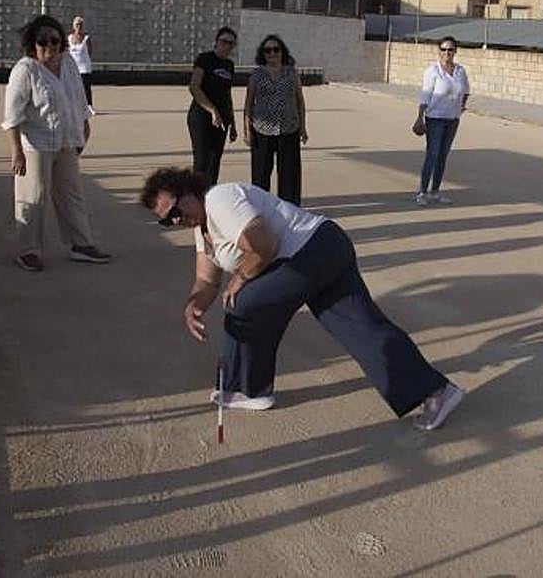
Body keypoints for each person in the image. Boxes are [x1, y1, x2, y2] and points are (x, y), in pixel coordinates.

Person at [140, 167, 465, 431]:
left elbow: (263, 246)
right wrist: (193, 305)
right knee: (360, 327)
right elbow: (206, 280)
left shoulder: (220, 199)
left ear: (189, 191)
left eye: (176, 210)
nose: (176, 220)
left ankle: (247, 389)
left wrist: (237, 280)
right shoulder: (203, 231)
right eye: (167, 220)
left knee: (245, 303)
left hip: (314, 250)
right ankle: (436, 391)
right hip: (323, 250)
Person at [2, 15, 111, 272]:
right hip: (36, 144)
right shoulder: (25, 70)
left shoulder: (69, 63)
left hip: (66, 141)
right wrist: (16, 152)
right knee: (34, 196)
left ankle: (81, 245)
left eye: (55, 40)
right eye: (42, 41)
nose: (49, 46)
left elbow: (78, 98)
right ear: (32, 43)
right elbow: (11, 116)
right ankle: (28, 250)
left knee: (71, 193)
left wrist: (84, 125)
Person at [244, 34, 307, 205]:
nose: (272, 53)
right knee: (260, 174)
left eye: (276, 49)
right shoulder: (256, 75)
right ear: (263, 54)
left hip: (289, 129)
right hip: (262, 130)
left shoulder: (292, 73)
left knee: (289, 174)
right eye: (268, 50)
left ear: (282, 52)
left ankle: (289, 209)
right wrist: (247, 131)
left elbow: (300, 101)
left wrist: (303, 128)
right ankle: (261, 208)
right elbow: (248, 103)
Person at [412, 36, 469, 206]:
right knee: (432, 154)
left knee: (443, 156)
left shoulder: (460, 71)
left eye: (450, 50)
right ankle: (422, 192)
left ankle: (435, 192)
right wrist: (419, 117)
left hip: (452, 119)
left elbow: (465, 90)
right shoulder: (433, 71)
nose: (447, 53)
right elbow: (425, 95)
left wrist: (461, 107)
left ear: (455, 51)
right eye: (443, 49)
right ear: (439, 51)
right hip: (435, 118)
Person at [187, 27, 238, 183]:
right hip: (201, 116)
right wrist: (212, 110)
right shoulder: (205, 59)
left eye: (231, 43)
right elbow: (194, 87)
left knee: (215, 161)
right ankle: (196, 198)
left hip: (222, 119)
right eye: (224, 41)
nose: (227, 46)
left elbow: (227, 94)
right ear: (216, 42)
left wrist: (233, 123)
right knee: (202, 160)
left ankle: (210, 198)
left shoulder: (229, 65)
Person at [67, 15, 95, 111]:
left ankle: (89, 106)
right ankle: (74, 106)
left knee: (85, 87)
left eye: (80, 25)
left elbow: (90, 52)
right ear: (73, 26)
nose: (78, 26)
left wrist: (85, 60)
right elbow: (68, 52)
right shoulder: (70, 38)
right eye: (77, 24)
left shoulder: (86, 38)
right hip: (73, 67)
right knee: (73, 87)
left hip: (84, 67)